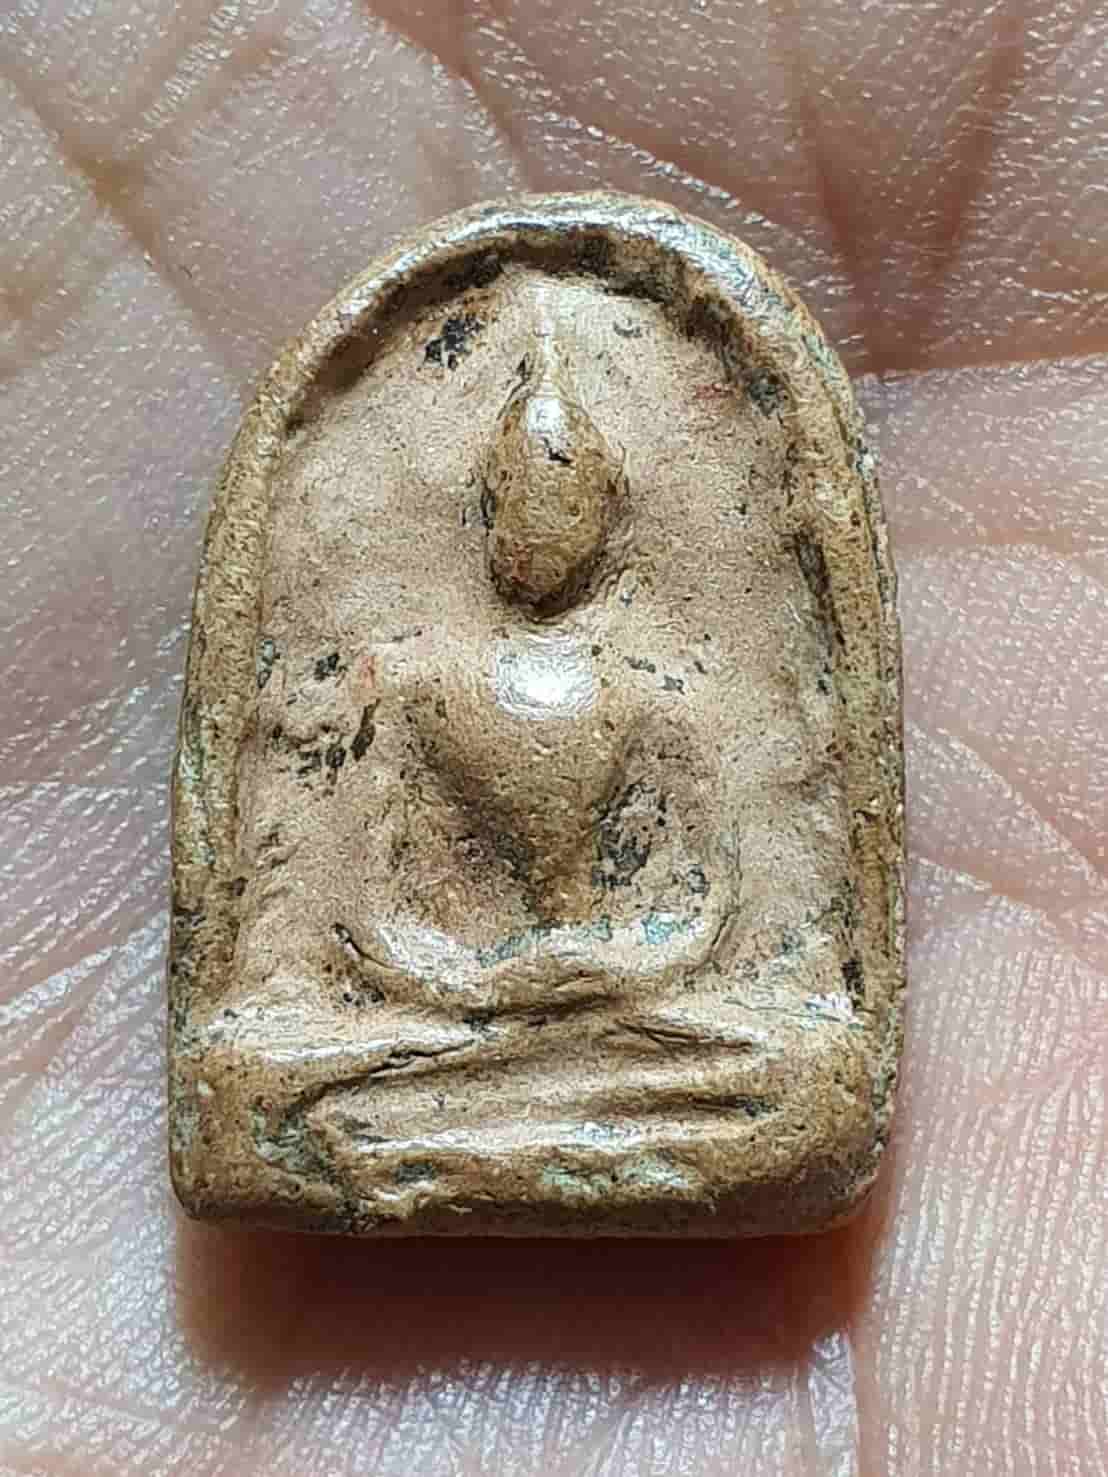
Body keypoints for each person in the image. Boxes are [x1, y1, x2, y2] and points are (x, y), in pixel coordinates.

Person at [2, 3, 1104, 1473]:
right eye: (517, 500)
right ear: (482, 512)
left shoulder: (664, 690)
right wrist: (463, 979)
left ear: (607, 515)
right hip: (435, 1017)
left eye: (567, 499)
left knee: (803, 1090)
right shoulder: (410, 682)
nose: (541, 526)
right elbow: (366, 902)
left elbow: (710, 904)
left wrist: (596, 972)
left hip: (632, 1018)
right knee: (254, 1088)